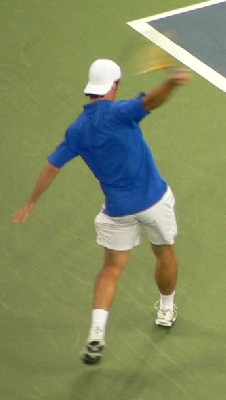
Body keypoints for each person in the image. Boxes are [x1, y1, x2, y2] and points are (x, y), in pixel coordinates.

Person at [12, 58, 191, 365]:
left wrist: (31, 202)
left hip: (117, 211)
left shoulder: (77, 130)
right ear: (114, 86)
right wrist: (172, 82)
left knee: (111, 269)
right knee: (165, 254)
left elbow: (52, 166)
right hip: (154, 202)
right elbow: (152, 101)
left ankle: (96, 332)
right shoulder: (120, 112)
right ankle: (166, 308)